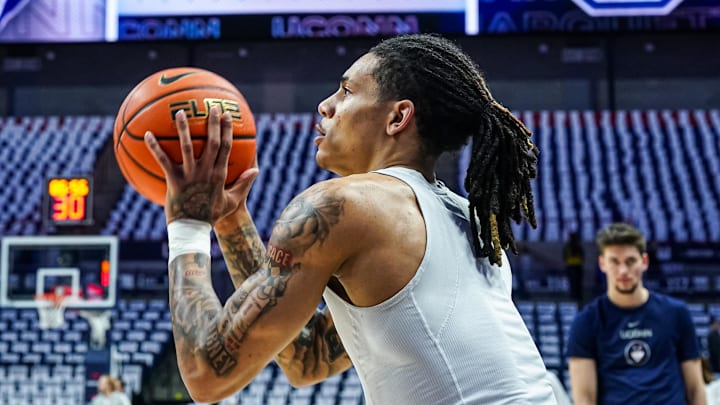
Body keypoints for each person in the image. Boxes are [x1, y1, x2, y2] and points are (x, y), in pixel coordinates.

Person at [144, 33, 557, 404]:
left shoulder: (343, 205)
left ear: (397, 118)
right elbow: (308, 360)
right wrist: (231, 220)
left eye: (346, 91)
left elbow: (205, 376)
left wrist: (187, 224)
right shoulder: (468, 217)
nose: (325, 105)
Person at [566, 222, 706, 405]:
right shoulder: (586, 322)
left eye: (630, 261)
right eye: (614, 261)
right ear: (602, 263)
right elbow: (584, 398)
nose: (623, 270)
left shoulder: (676, 313)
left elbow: (695, 388)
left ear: (644, 261)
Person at [563, 231, 584, 304]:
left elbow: (564, 257)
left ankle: (573, 295)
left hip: (571, 265)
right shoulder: (578, 246)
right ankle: (577, 295)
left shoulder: (568, 246)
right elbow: (582, 256)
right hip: (577, 265)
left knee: (572, 281)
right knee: (577, 281)